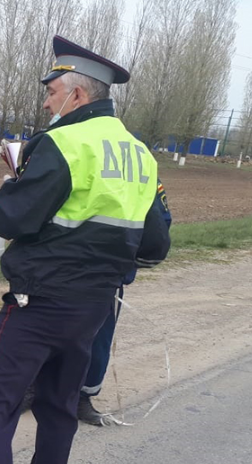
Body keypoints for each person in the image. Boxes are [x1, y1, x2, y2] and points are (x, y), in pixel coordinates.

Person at [0, 35, 171, 464]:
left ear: (76, 94)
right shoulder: (140, 155)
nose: (46, 105)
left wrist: (11, 188)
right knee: (58, 409)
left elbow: (9, 221)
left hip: (39, 303)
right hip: (95, 309)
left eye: (51, 93)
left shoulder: (61, 143)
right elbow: (154, 246)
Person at [77, 180, 172, 425]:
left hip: (107, 276)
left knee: (96, 340)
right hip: (54, 272)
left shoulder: (139, 165)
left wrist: (125, 263)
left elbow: (159, 226)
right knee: (42, 335)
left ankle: (82, 397)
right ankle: (35, 389)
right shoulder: (68, 150)